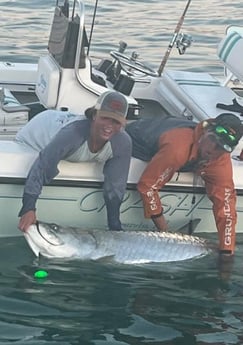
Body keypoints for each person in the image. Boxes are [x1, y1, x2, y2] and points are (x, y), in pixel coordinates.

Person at [126, 113, 243, 255]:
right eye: (212, 140)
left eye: (221, 148)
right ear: (206, 131)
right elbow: (147, 186)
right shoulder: (177, 148)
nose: (213, 149)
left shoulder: (220, 160)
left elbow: (226, 208)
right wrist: (165, 234)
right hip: (137, 138)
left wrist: (227, 252)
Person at [16, 90, 132, 232]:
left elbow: (115, 187)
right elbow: (43, 165)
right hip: (38, 130)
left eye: (116, 122)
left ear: (122, 125)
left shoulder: (123, 142)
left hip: (62, 123)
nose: (109, 125)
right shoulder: (73, 133)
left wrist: (115, 227)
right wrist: (28, 208)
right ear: (94, 115)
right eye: (105, 118)